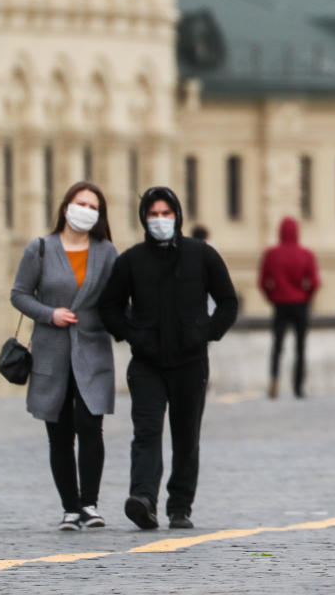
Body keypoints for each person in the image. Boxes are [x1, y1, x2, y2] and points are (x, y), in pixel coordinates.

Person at [98, 186, 238, 530]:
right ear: (144, 219)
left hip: (191, 363)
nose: (160, 220)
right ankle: (143, 499)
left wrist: (205, 332)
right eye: (153, 214)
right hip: (147, 363)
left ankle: (180, 506)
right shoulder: (131, 260)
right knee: (146, 431)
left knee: (185, 435)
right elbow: (109, 306)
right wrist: (132, 334)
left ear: (177, 216)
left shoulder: (201, 255)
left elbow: (228, 301)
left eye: (166, 213)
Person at [10, 181, 118, 531]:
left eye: (92, 206)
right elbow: (20, 295)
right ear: (65, 207)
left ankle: (90, 504)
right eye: (79, 203)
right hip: (51, 352)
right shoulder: (40, 248)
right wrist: (49, 314)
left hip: (92, 350)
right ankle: (70, 507)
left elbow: (116, 299)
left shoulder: (106, 252)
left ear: (99, 215)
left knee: (91, 425)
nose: (84, 211)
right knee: (59, 431)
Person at [258, 217, 320, 399]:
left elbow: (263, 281)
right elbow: (314, 282)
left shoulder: (271, 254)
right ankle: (298, 387)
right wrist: (306, 297)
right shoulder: (306, 254)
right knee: (300, 347)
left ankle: (274, 382)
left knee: (277, 346)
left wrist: (272, 297)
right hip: (300, 304)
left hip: (280, 304)